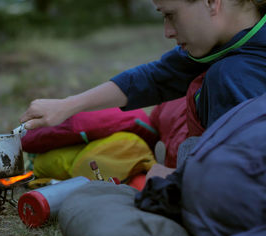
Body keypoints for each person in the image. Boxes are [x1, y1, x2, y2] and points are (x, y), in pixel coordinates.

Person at [20, 0, 266, 167]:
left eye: (170, 14)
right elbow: (156, 77)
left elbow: (238, 182)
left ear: (212, 2)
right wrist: (68, 105)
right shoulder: (225, 42)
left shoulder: (236, 76)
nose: (167, 31)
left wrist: (171, 181)